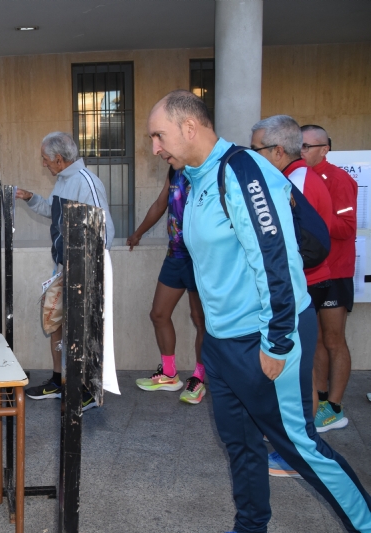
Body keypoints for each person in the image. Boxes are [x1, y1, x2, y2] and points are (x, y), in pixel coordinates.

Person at [148, 90, 371, 533]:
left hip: (266, 338)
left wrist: (278, 342)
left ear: (189, 127)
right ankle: (250, 527)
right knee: (241, 445)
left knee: (300, 447)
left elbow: (278, 262)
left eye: (159, 135)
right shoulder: (194, 178)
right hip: (222, 343)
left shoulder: (244, 171)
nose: (154, 147)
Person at [249, 115, 334, 478]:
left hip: (303, 285)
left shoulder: (291, 180)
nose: (251, 158)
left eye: (256, 150)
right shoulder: (298, 176)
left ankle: (300, 451)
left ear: (278, 150)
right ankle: (296, 443)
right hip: (305, 283)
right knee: (303, 369)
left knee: (299, 376)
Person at [16, 131, 115, 412]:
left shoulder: (87, 183)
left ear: (59, 159)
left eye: (46, 160)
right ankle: (59, 381)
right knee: (57, 325)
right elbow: (54, 212)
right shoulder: (63, 180)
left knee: (82, 332)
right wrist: (30, 198)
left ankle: (87, 390)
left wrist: (85, 269)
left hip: (83, 273)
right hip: (63, 268)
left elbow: (105, 230)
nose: (44, 164)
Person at [127, 165, 207, 404]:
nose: (160, 150)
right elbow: (161, 204)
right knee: (159, 314)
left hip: (199, 258)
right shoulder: (174, 170)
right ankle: (169, 374)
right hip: (175, 256)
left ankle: (199, 378)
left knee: (200, 319)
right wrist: (138, 232)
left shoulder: (204, 169)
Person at [301, 124, 358, 433]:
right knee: (317, 340)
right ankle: (321, 399)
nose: (302, 151)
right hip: (311, 273)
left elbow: (347, 228)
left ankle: (335, 407)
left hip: (335, 272)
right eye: (300, 146)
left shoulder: (339, 179)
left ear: (325, 149)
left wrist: (313, 215)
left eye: (308, 146)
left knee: (334, 339)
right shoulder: (298, 178)